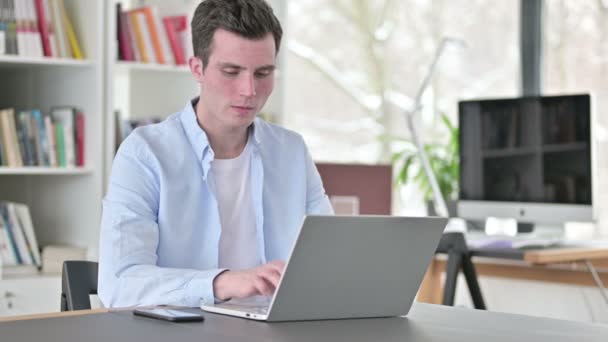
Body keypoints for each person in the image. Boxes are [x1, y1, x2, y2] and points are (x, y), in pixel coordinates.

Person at [98, 0, 333, 308]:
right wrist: (221, 282)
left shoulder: (291, 151)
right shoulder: (145, 154)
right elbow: (120, 284)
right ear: (197, 68)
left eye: (263, 72)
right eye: (231, 71)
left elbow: (329, 260)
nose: (249, 89)